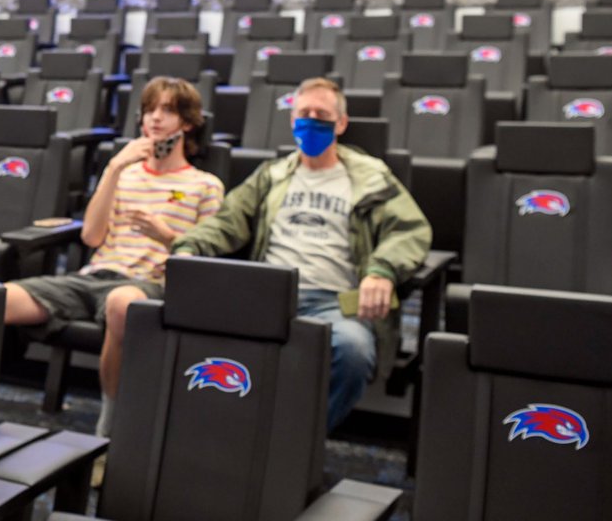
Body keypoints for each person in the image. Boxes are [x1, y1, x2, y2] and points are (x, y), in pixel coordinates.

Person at [170, 77, 430, 431]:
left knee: (354, 353)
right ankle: (214, 433)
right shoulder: (272, 175)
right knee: (203, 334)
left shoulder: (372, 178)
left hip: (337, 303)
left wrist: (382, 270)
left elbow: (411, 231)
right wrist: (189, 248)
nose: (310, 120)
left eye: (321, 114)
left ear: (340, 123)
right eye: (303, 113)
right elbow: (228, 222)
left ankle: (295, 440)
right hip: (269, 295)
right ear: (292, 121)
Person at [3, 77, 224, 436]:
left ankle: (109, 423)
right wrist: (113, 168)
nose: (153, 119)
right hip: (94, 277)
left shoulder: (205, 185)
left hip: (148, 283)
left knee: (123, 303)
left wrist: (165, 235)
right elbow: (91, 236)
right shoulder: (124, 174)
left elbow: (209, 256)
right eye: (148, 110)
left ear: (187, 122)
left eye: (166, 111)